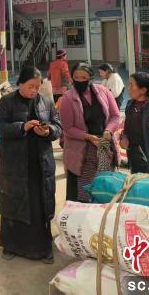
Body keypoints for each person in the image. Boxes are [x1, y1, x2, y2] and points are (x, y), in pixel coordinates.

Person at [0, 66, 62, 263]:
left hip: (40, 164)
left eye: (37, 87)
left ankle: (42, 249)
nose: (34, 90)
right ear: (20, 83)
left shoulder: (46, 101)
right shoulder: (7, 102)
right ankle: (11, 246)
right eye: (30, 86)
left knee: (40, 205)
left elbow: (58, 126)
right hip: (15, 164)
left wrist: (48, 131)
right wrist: (22, 127)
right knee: (14, 203)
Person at [58, 63, 121, 202]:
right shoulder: (67, 99)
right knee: (83, 193)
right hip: (81, 151)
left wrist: (108, 131)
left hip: (104, 145)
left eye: (84, 77)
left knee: (105, 188)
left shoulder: (103, 92)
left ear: (91, 77)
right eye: (76, 77)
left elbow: (115, 116)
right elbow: (68, 128)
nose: (80, 81)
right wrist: (87, 136)